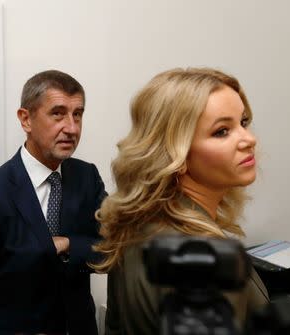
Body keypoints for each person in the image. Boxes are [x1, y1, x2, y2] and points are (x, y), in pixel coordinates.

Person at [93, 68, 269, 334]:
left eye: (243, 123)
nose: (249, 140)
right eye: (222, 131)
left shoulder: (139, 224)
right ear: (176, 152)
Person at [0, 70, 106, 335]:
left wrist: (68, 245)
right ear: (26, 119)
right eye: (58, 113)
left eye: (77, 114)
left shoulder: (86, 176)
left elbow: (115, 248)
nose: (72, 128)